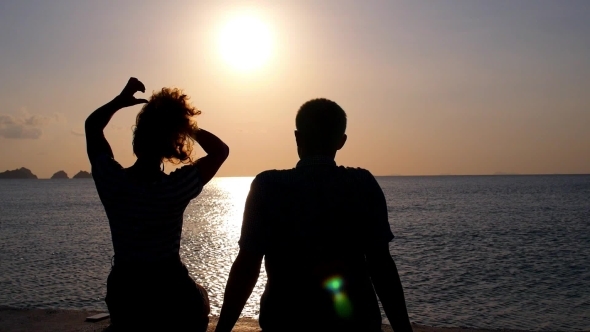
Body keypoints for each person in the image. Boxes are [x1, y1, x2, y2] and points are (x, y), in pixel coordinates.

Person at [215, 98, 413, 332]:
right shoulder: (362, 185)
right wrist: (404, 329)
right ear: (341, 142)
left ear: (297, 137)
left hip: (285, 321)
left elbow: (247, 265)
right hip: (356, 323)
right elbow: (381, 265)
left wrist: (222, 330)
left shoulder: (268, 186)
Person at [85, 77, 229, 331]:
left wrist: (119, 101)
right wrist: (183, 125)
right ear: (171, 143)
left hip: (126, 294)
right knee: (201, 299)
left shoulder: (113, 182)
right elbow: (220, 151)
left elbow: (92, 126)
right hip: (170, 291)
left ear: (137, 138)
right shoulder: (174, 188)